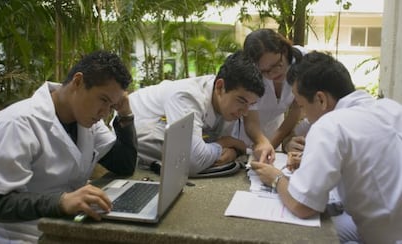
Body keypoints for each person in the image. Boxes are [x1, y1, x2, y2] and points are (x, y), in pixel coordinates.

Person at [250, 51, 402, 244]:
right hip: (389, 229)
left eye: (302, 106)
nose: (304, 115)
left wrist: (276, 178)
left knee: (297, 235)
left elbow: (302, 206)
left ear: (321, 99)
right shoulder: (391, 108)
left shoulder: (330, 124)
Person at [0, 50, 138, 243]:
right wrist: (61, 201)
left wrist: (125, 115)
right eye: (103, 100)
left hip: (66, 229)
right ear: (78, 82)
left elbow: (123, 164)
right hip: (22, 236)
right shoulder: (16, 124)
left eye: (112, 106)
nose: (105, 112)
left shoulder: (87, 122)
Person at [129, 51, 275, 176]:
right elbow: (192, 161)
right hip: (131, 152)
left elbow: (211, 147)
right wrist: (230, 142)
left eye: (251, 104)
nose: (244, 112)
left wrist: (233, 151)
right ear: (220, 87)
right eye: (241, 101)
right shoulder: (187, 96)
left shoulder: (226, 105)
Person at [233, 28, 306, 150]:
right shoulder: (249, 75)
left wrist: (271, 145)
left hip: (276, 129)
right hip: (249, 134)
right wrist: (262, 144)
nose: (273, 74)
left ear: (284, 50)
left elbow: (296, 109)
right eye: (264, 71)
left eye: (277, 64)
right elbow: (250, 121)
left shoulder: (302, 60)